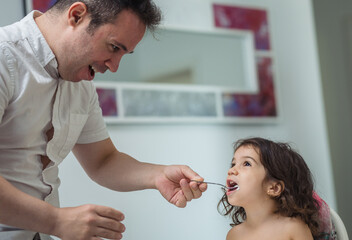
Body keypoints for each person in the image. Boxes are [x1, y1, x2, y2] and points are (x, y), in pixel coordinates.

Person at [0, 0, 207, 239]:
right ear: (77, 16)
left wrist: (158, 176)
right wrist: (56, 221)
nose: (114, 66)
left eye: (124, 54)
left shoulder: (81, 84)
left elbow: (103, 161)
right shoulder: (4, 57)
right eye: (113, 47)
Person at [218, 137, 322, 240]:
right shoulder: (233, 235)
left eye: (247, 163)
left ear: (274, 188)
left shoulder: (292, 228)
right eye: (233, 164)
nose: (231, 170)